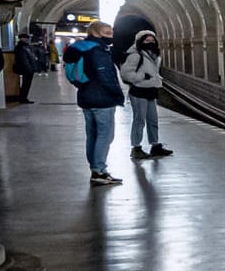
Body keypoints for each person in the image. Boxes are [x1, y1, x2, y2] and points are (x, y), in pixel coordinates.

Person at [64, 21, 125, 185]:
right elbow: (105, 75)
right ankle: (99, 170)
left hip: (85, 96)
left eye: (112, 32)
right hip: (102, 98)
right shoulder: (98, 50)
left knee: (92, 135)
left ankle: (95, 169)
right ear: (97, 33)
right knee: (105, 135)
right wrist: (117, 93)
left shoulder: (80, 48)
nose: (111, 35)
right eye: (107, 32)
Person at [119, 30, 171, 159]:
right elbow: (125, 74)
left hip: (151, 90)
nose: (150, 42)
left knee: (153, 120)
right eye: (146, 40)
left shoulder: (153, 54)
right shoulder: (135, 55)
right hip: (138, 91)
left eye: (152, 40)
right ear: (140, 41)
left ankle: (155, 146)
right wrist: (142, 76)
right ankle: (136, 148)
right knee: (139, 120)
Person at [12, 28, 44, 103]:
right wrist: (29, 69)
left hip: (28, 69)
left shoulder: (26, 46)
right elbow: (24, 60)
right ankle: (23, 98)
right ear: (22, 39)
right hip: (26, 69)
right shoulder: (21, 47)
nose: (28, 39)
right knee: (26, 84)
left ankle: (23, 97)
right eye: (27, 38)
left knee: (26, 84)